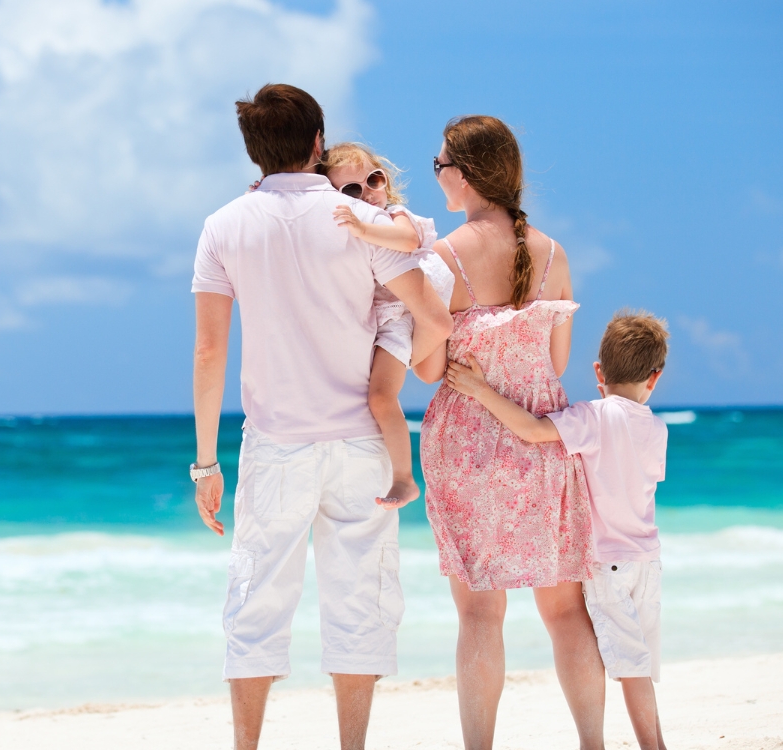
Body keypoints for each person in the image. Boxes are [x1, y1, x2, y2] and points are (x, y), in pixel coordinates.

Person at [189, 84, 453, 750]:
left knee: (256, 602)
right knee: (359, 600)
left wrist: (206, 463)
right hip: (361, 442)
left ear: (254, 152)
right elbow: (426, 306)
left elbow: (210, 351)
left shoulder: (223, 225)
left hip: (275, 444)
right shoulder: (357, 220)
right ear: (317, 144)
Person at [410, 115, 604, 750]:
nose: (437, 175)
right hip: (544, 440)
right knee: (566, 611)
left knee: (478, 613)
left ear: (463, 175)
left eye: (440, 165)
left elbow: (430, 368)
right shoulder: (554, 253)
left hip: (467, 445)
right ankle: (594, 744)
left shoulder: (445, 257)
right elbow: (555, 364)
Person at [445, 310, 671, 750]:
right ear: (654, 379)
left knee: (629, 664)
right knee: (639, 662)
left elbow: (531, 430)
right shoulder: (657, 430)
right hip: (648, 561)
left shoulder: (591, 417)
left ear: (598, 372)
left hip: (608, 565)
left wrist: (479, 388)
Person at [323, 142, 457, 508]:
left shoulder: (394, 216)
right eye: (352, 190)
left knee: (381, 398)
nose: (367, 192)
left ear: (386, 180)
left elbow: (408, 240)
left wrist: (363, 228)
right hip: (381, 315)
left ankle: (404, 478)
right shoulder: (349, 224)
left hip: (403, 311)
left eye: (373, 179)